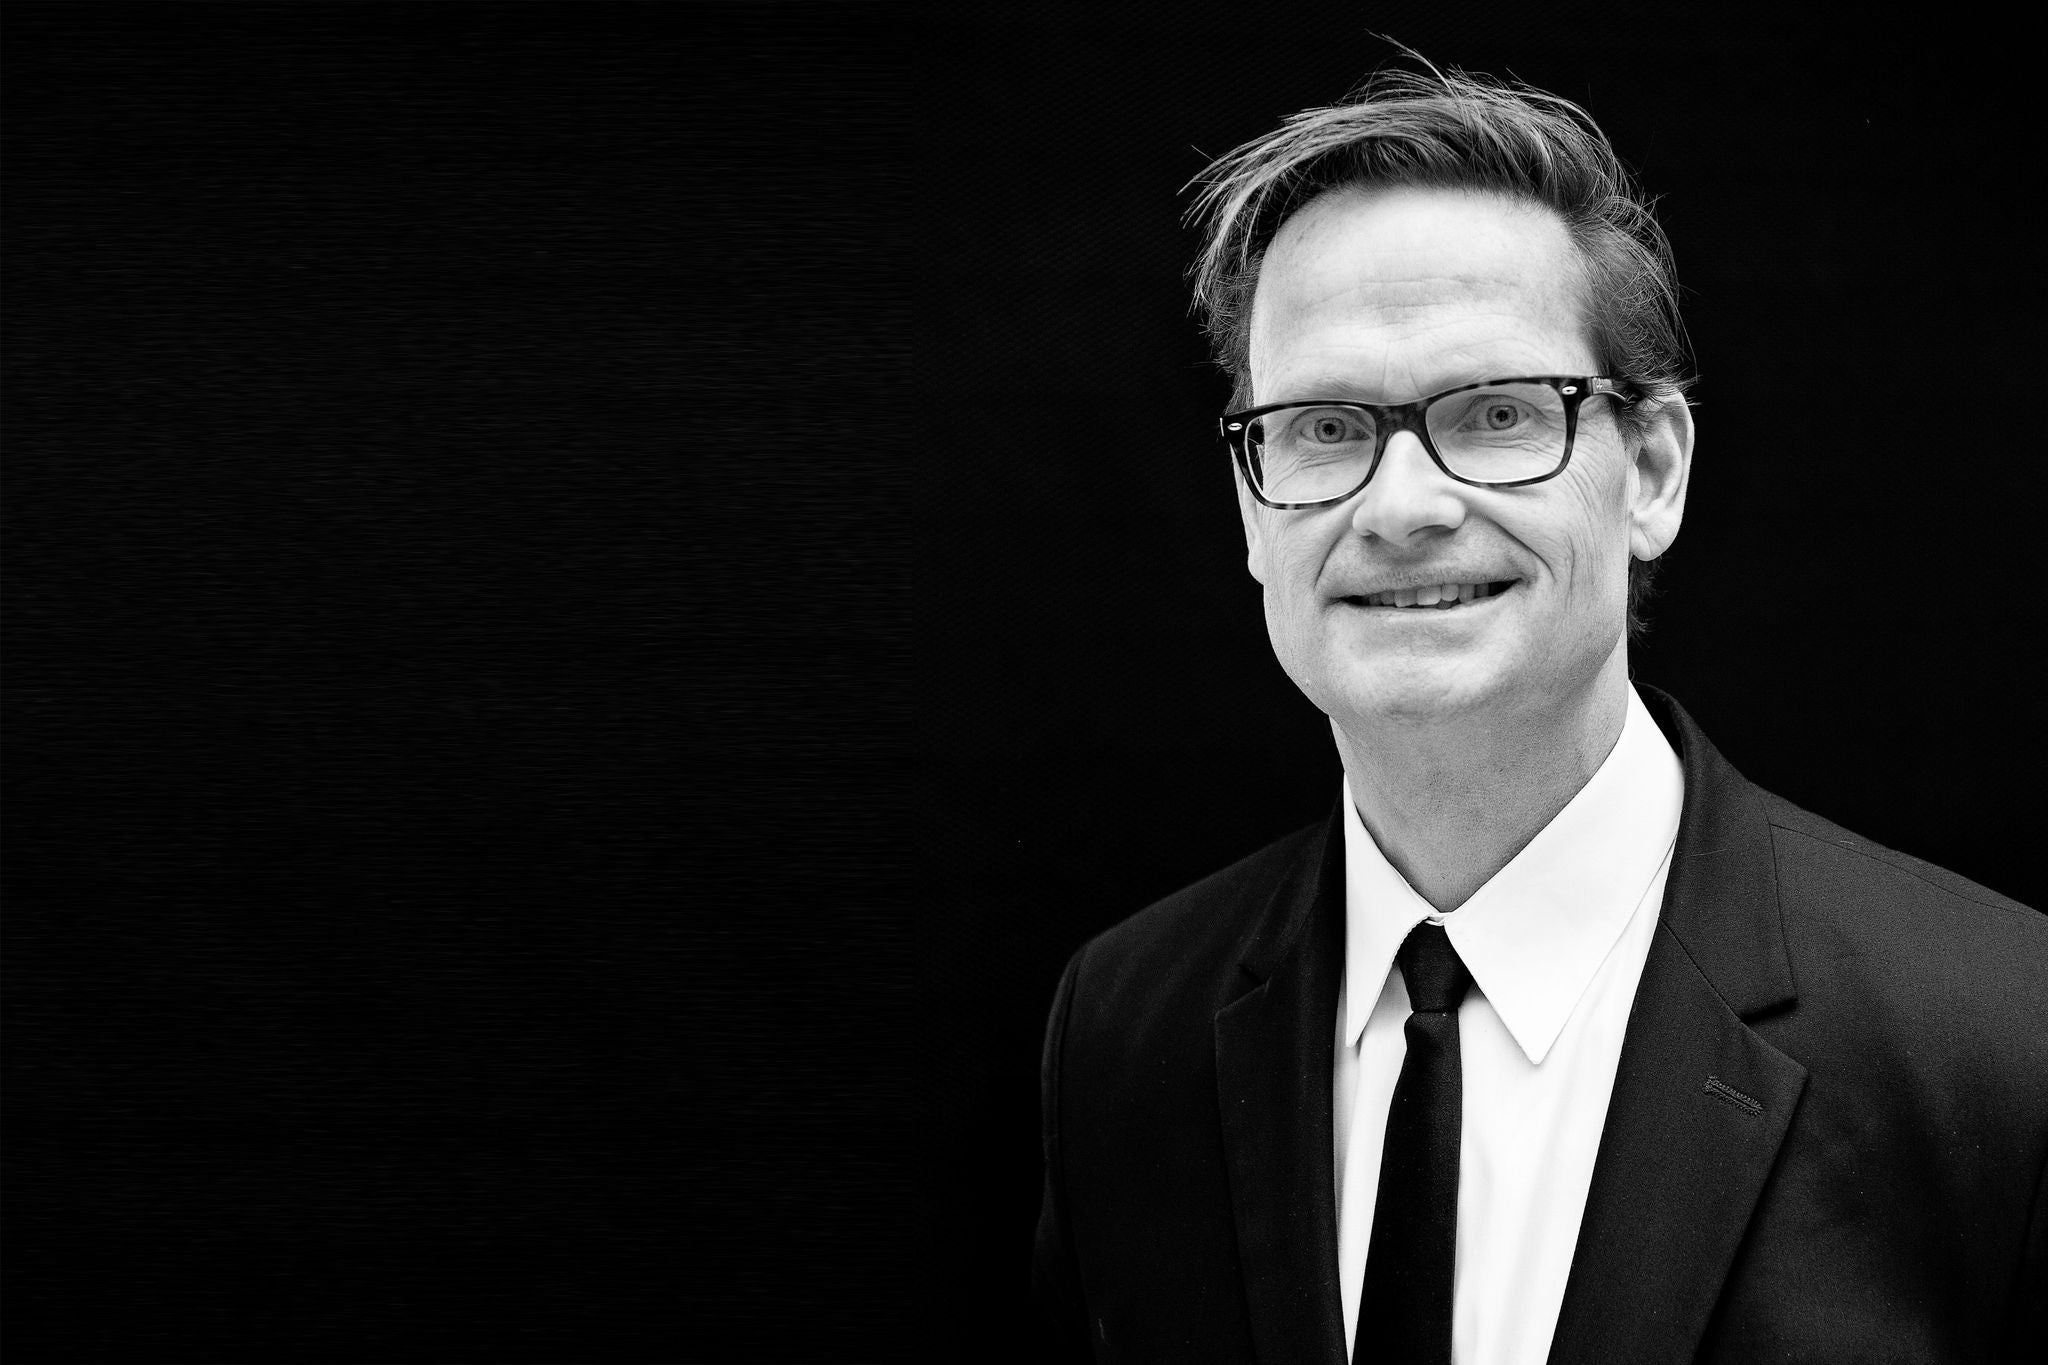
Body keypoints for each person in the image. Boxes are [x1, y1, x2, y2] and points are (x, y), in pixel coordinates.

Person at [1030, 62, 2047, 1364]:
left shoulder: (2000, 1043)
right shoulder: (1121, 1032)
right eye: (1325, 428)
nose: (1401, 508)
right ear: (1251, 504)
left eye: (1497, 414)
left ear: (1653, 470)